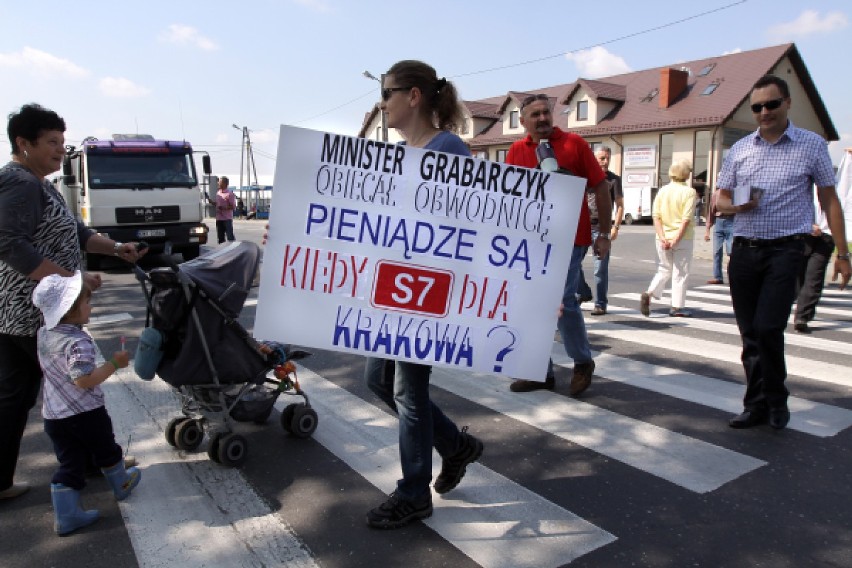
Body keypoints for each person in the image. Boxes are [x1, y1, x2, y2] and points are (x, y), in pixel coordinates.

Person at [0, 103, 143, 501]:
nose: (60, 149)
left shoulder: (41, 184)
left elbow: (77, 233)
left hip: (22, 314)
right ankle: (98, 462)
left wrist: (117, 248)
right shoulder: (20, 183)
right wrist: (71, 283)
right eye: (51, 142)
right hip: (37, 313)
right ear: (23, 143)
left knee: (16, 397)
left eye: (62, 142)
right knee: (80, 391)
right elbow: (8, 244)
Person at [363, 60, 483, 530]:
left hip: (430, 286)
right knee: (377, 379)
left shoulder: (449, 149)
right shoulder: (394, 152)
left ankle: (414, 493)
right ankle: (456, 446)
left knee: (407, 389)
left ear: (413, 96)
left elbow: (477, 223)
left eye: (387, 94)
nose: (382, 104)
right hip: (392, 285)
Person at [715, 75, 850, 430]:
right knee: (750, 335)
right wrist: (736, 207)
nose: (764, 112)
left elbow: (829, 199)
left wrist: (843, 252)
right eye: (757, 107)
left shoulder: (811, 145)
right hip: (744, 250)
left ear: (787, 103)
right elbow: (719, 199)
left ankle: (777, 400)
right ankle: (755, 404)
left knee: (768, 327)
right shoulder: (741, 149)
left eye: (771, 104)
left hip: (786, 249)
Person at [504, 93, 612, 395]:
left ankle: (581, 361)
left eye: (545, 113)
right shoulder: (515, 151)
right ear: (523, 122)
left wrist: (603, 233)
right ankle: (540, 372)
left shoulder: (574, 144)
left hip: (570, 240)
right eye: (534, 115)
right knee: (534, 305)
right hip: (533, 242)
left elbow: (600, 187)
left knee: (560, 302)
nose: (541, 119)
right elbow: (510, 199)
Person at [32, 271, 142, 535]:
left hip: (54, 415)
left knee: (70, 463)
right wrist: (115, 363)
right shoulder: (78, 341)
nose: (90, 307)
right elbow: (84, 380)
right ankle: (121, 484)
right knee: (105, 448)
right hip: (85, 413)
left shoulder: (44, 334)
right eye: (86, 302)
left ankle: (67, 516)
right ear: (70, 310)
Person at [640, 160, 697, 318]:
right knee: (681, 272)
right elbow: (686, 219)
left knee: (664, 269)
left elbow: (656, 217)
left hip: (662, 237)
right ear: (686, 174)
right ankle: (677, 307)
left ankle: (649, 293)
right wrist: (676, 239)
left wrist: (663, 237)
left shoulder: (662, 191)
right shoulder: (690, 192)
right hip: (683, 238)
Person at [577, 146, 624, 315]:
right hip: (583, 226)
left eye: (607, 158)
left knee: (600, 268)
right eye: (602, 158)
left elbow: (619, 205)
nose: (605, 161)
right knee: (573, 263)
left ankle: (601, 303)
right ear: (594, 159)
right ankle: (582, 291)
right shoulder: (585, 176)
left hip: (601, 228)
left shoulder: (613, 180)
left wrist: (615, 227)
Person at [704, 187, 734, 284]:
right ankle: (718, 277)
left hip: (732, 220)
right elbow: (711, 211)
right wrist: (707, 230)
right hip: (719, 221)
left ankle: (733, 276)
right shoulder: (716, 194)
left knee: (732, 252)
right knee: (717, 251)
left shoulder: (734, 193)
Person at [208, 176, 236, 243]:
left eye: (220, 182)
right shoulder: (218, 193)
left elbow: (233, 207)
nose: (218, 183)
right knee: (220, 238)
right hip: (219, 219)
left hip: (227, 219)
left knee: (230, 237)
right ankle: (222, 251)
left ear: (225, 184)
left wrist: (224, 208)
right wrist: (212, 202)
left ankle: (232, 250)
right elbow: (217, 204)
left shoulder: (230, 194)